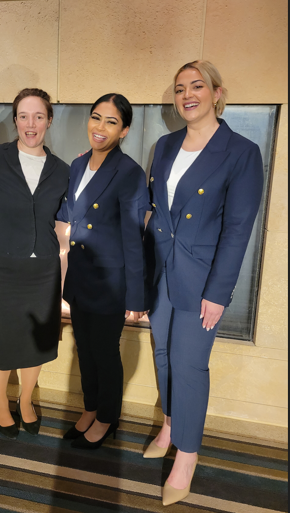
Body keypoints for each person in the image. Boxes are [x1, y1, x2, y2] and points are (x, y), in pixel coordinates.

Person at [143, 60, 264, 506]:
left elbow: (238, 229)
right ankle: (172, 425)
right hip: (161, 271)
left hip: (202, 279)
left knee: (189, 365)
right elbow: (156, 212)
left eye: (197, 86)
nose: (187, 94)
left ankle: (187, 455)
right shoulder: (165, 144)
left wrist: (218, 293)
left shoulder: (240, 151)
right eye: (179, 88)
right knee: (161, 353)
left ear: (217, 92)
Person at [58, 94, 149, 449]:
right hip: (81, 274)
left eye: (111, 122)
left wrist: (136, 296)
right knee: (84, 348)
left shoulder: (129, 172)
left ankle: (108, 417)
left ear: (124, 130)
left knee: (105, 353)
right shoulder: (79, 165)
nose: (100, 127)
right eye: (96, 118)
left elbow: (133, 236)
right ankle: (90, 408)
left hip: (110, 282)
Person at [0, 88, 69, 439]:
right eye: (23, 116)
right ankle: (0, 401)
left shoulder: (62, 170)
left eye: (38, 116)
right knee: (0, 338)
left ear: (49, 120)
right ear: (15, 120)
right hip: (0, 265)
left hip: (43, 267)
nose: (30, 124)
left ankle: (26, 400)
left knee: (37, 339)